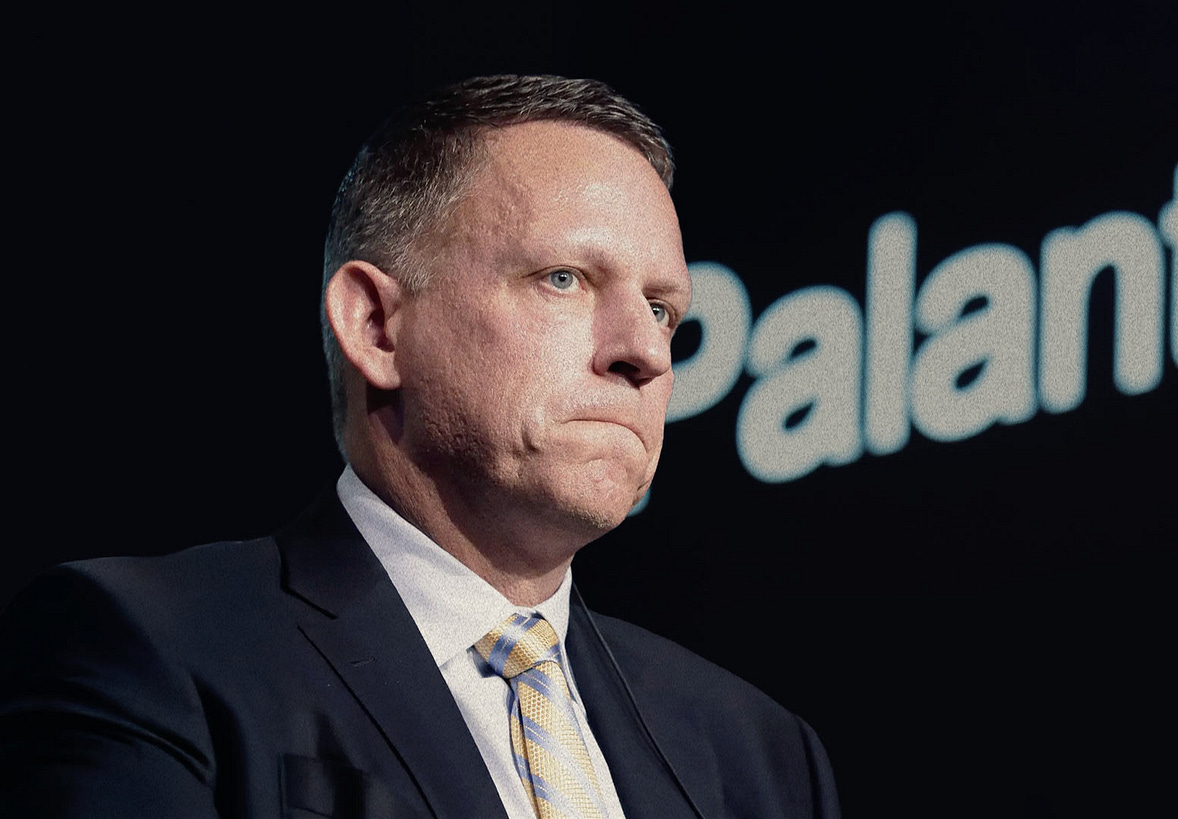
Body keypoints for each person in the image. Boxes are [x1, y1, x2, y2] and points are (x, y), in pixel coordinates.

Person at [0, 75, 840, 819]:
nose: (646, 352)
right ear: (376, 325)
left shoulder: (760, 756)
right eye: (565, 279)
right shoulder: (157, 650)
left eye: (662, 309)